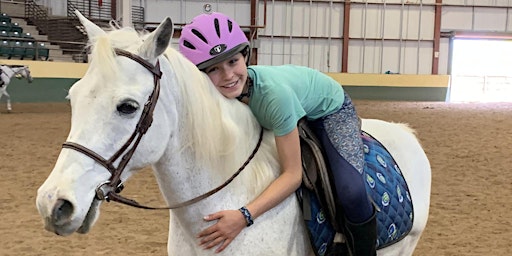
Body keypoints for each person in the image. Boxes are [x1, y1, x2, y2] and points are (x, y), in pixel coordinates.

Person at [179, 12, 376, 256]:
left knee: (351, 191)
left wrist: (244, 216)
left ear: (245, 56)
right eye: (214, 69)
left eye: (233, 62)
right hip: (291, 101)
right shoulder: (221, 98)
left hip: (329, 109)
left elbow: (293, 175)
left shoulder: (274, 97)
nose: (228, 75)